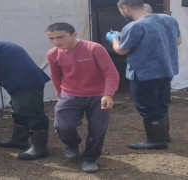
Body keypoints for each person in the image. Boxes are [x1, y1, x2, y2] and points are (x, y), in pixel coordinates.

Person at [106, 0, 182, 150]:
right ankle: (164, 135)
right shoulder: (169, 19)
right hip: (167, 69)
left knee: (147, 105)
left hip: (144, 73)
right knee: (161, 102)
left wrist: (114, 38)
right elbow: (178, 41)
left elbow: (122, 50)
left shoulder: (133, 26)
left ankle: (156, 141)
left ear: (125, 8)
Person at [45, 22, 120, 173]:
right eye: (52, 39)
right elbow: (56, 75)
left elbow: (110, 73)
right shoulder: (52, 53)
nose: (56, 42)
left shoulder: (94, 48)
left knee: (98, 129)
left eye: (60, 37)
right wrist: (60, 94)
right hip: (70, 94)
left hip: (98, 94)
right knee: (62, 126)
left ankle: (90, 158)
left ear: (74, 35)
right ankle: (72, 144)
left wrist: (108, 94)